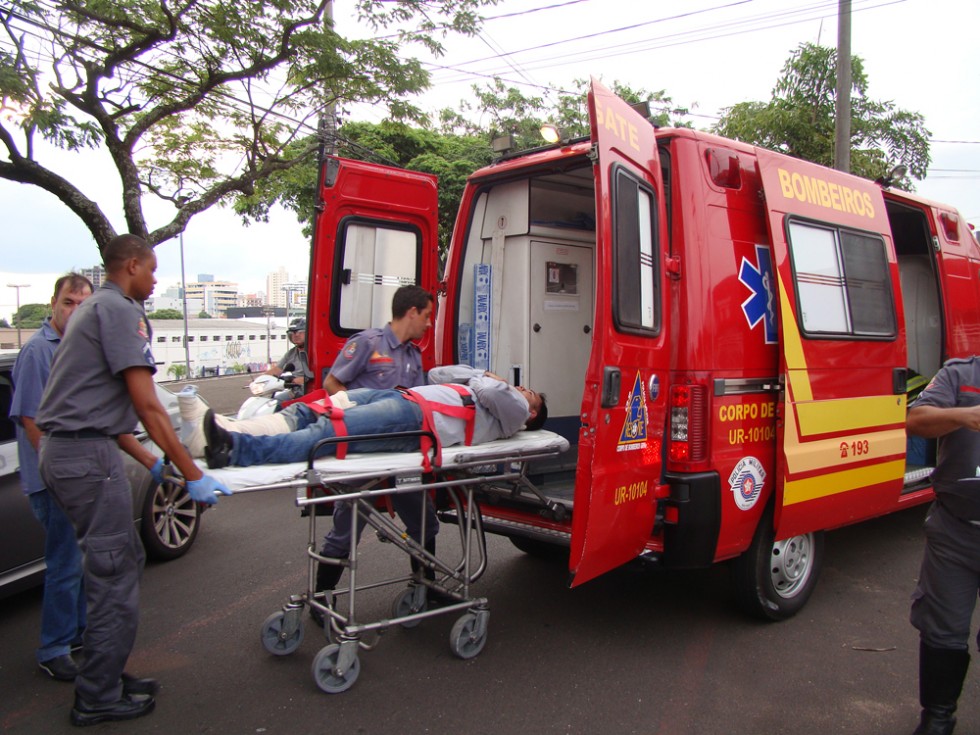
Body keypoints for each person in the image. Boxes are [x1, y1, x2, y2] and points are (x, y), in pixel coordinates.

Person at [35, 234, 232, 727]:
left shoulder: (92, 310)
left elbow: (111, 413)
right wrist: (192, 474)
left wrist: (152, 463)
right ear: (132, 265)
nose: (155, 279)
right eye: (151, 269)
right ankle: (97, 694)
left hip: (77, 449)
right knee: (114, 573)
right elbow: (146, 404)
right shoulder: (120, 310)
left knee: (121, 561)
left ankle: (106, 673)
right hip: (84, 455)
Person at [198, 366, 546, 469]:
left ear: (531, 413)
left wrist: (486, 380)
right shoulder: (489, 387)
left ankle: (235, 448)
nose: (521, 387)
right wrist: (482, 371)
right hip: (404, 399)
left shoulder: (514, 414)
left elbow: (492, 392)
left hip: (416, 420)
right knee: (324, 406)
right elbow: (438, 374)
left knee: (326, 432)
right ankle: (236, 430)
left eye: (529, 391)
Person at [10, 273, 93, 682]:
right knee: (64, 564)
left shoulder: (78, 349)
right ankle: (54, 647)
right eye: (68, 303)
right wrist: (58, 472)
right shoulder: (39, 352)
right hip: (53, 480)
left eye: (83, 304)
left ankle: (76, 635)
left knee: (77, 563)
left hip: (76, 476)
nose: (75, 311)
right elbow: (30, 419)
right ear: (53, 304)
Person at [906, 356, 980, 735]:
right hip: (956, 530)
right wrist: (966, 416)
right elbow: (915, 421)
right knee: (942, 631)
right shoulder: (961, 375)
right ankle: (937, 718)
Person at [323, 284, 433, 394]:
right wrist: (356, 407)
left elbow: (418, 398)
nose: (429, 324)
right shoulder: (367, 342)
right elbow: (331, 383)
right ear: (413, 312)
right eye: (426, 316)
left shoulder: (414, 354)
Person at [264, 317, 312, 396]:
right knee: (275, 401)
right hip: (295, 390)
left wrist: (304, 380)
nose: (296, 335)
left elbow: (322, 375)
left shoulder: (315, 352)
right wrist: (261, 379)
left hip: (310, 391)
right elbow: (277, 369)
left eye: (300, 332)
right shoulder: (291, 353)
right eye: (292, 333)